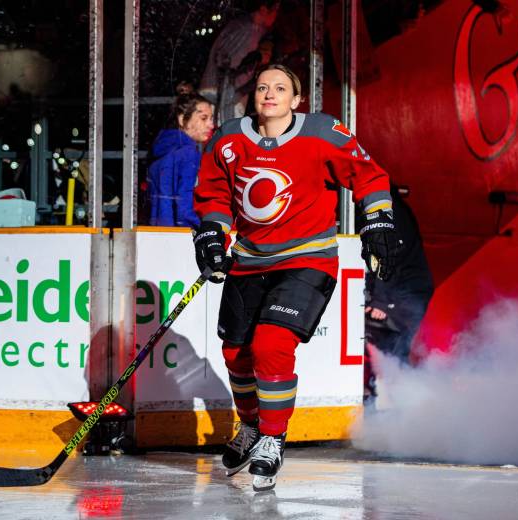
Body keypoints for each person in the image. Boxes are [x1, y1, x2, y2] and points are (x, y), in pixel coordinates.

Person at [192, 64, 401, 491]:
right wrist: (212, 233)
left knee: (271, 344)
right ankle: (252, 426)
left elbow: (368, 174)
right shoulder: (228, 139)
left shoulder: (322, 133)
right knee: (235, 353)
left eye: (280, 88)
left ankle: (273, 438)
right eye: (262, 87)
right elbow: (214, 194)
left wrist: (378, 220)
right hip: (249, 261)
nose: (270, 94)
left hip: (306, 260)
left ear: (296, 99)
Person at [363, 187, 434, 409]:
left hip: (405, 292)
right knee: (391, 354)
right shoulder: (384, 203)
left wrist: (381, 300)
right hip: (400, 290)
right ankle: (400, 409)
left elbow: (389, 253)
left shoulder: (386, 208)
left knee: (394, 355)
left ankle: (405, 410)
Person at [199, 1, 279, 125]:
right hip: (220, 97)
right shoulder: (245, 29)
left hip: (227, 97)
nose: (276, 15)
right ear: (263, 9)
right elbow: (226, 65)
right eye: (275, 10)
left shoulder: (255, 30)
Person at [147, 93, 214, 227]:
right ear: (182, 119)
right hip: (180, 233)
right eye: (203, 118)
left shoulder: (161, 150)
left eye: (211, 119)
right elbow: (184, 210)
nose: (211, 125)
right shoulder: (188, 153)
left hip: (156, 231)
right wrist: (204, 229)